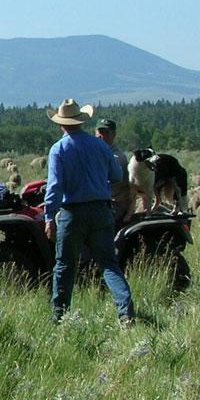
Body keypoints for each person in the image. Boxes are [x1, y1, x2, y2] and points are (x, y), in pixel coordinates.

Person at [43, 99, 135, 325]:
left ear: (61, 124)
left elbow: (54, 187)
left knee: (65, 265)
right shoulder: (101, 146)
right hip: (101, 211)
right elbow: (115, 175)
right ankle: (125, 313)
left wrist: (48, 218)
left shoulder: (59, 149)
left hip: (72, 214)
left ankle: (59, 317)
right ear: (81, 121)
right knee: (109, 264)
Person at [94, 118, 131, 223]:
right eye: (100, 132)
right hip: (102, 201)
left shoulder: (117, 157)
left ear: (114, 135)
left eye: (106, 132)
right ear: (95, 133)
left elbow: (101, 181)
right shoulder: (96, 152)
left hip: (115, 203)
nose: (102, 136)